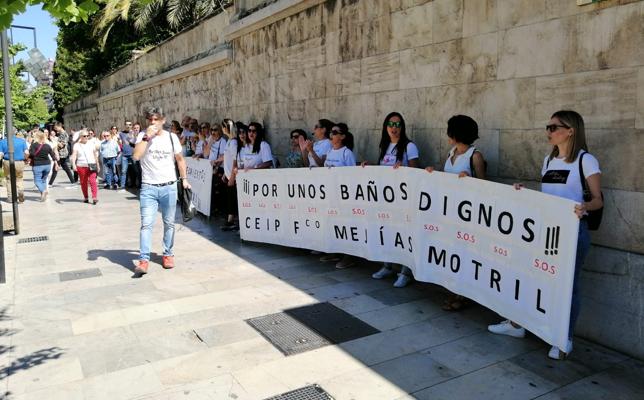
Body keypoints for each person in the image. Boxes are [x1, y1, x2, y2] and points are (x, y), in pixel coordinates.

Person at [488, 110, 602, 360]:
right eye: (547, 127)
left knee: (567, 287)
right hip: (545, 232)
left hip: (572, 233)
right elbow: (548, 199)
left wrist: (584, 207)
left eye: (553, 127)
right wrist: (524, 193)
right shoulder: (549, 160)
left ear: (570, 130)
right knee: (531, 278)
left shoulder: (586, 161)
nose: (548, 132)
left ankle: (564, 339)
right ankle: (518, 325)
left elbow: (598, 200)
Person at [426, 115, 487, 310]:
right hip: (449, 211)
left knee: (463, 252)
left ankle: (461, 294)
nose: (447, 135)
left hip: (465, 215)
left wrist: (469, 179)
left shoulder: (475, 156)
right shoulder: (451, 152)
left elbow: (484, 186)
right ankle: (453, 290)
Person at [132, 107, 191, 275]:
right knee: (146, 224)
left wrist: (184, 179)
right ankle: (143, 260)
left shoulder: (172, 137)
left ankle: (168, 254)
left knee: (169, 222)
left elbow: (180, 160)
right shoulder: (142, 137)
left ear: (163, 120)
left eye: (156, 119)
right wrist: (146, 137)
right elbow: (136, 156)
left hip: (169, 186)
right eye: (150, 119)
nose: (153, 122)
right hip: (149, 187)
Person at [370, 112, 420, 288]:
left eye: (398, 124)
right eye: (391, 124)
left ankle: (405, 272)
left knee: (404, 236)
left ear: (402, 127)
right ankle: (387, 266)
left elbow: (416, 173)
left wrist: (403, 171)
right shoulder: (384, 145)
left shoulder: (409, 146)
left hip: (403, 201)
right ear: (386, 126)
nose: (394, 128)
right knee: (388, 233)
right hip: (386, 199)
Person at [221, 120, 246, 231]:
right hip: (228, 175)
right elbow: (227, 158)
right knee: (230, 197)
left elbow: (235, 161)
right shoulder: (229, 141)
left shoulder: (234, 142)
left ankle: (232, 220)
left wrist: (232, 177)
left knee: (233, 198)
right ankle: (231, 219)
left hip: (233, 176)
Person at [70, 130, 100, 204]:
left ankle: (94, 197)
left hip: (92, 164)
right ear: (80, 137)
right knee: (83, 182)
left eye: (87, 135)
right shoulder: (76, 145)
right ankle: (86, 197)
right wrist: (73, 164)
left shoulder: (91, 143)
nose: (86, 137)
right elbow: (74, 155)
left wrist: (98, 164)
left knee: (93, 181)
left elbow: (95, 154)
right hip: (81, 165)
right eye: (84, 136)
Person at [0, 129, 29, 203]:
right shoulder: (22, 141)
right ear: (15, 133)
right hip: (20, 162)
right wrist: (26, 159)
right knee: (19, 178)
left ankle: (10, 197)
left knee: (9, 179)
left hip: (7, 162)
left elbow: (1, 154)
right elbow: (26, 152)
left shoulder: (2, 142)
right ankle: (20, 191)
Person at [204, 123, 227, 217]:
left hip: (218, 168)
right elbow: (205, 154)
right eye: (212, 130)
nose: (213, 132)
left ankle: (218, 210)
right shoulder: (210, 139)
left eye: (215, 130)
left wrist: (216, 167)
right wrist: (209, 143)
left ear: (220, 131)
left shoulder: (223, 141)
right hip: (210, 168)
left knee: (217, 190)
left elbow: (223, 156)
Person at [29, 131, 57, 202]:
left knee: (37, 181)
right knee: (43, 180)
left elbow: (31, 154)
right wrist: (56, 163)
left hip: (38, 165)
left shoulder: (34, 145)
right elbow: (53, 155)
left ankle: (43, 191)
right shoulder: (47, 145)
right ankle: (43, 195)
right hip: (47, 165)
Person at [49, 122, 75, 186]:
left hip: (62, 154)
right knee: (65, 168)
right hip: (60, 153)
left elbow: (61, 145)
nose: (55, 129)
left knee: (56, 168)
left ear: (60, 126)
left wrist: (54, 140)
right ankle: (73, 181)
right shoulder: (60, 134)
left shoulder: (64, 134)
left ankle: (50, 183)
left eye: (56, 128)